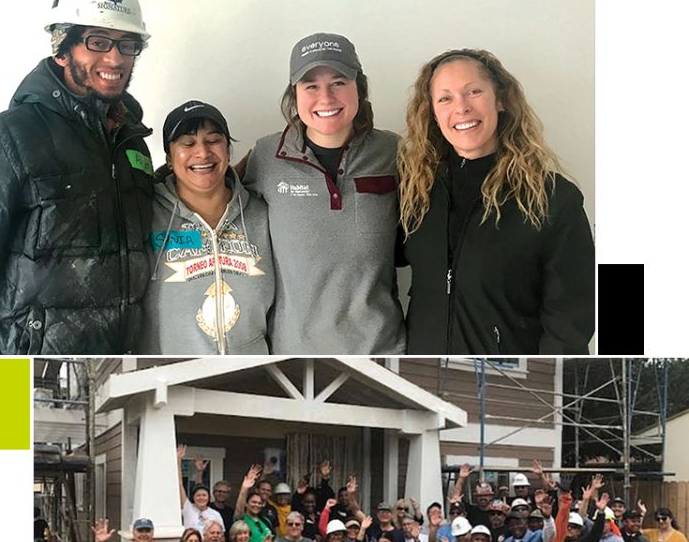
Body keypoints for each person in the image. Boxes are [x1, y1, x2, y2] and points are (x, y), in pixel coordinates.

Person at [0, 0, 153, 354]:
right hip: (26, 368)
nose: (116, 58)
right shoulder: (1, 138)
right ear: (62, 48)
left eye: (127, 44)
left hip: (118, 357)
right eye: (98, 41)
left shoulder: (131, 141)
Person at [397, 47, 594, 354]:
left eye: (473, 92)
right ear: (432, 113)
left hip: (506, 377)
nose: (461, 108)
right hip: (429, 372)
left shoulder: (553, 198)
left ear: (500, 99)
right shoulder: (415, 190)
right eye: (445, 98)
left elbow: (570, 321)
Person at [243, 32, 405, 354]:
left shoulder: (395, 153)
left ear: (359, 86)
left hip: (383, 350)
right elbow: (211, 191)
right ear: (295, 94)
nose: (326, 98)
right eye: (311, 85)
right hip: (293, 352)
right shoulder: (265, 156)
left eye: (338, 82)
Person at [139, 100, 273, 354]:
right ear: (169, 157)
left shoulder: (263, 215)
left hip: (250, 373)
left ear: (228, 150)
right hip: (172, 373)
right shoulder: (144, 214)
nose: (202, 153)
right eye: (188, 144)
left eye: (213, 140)